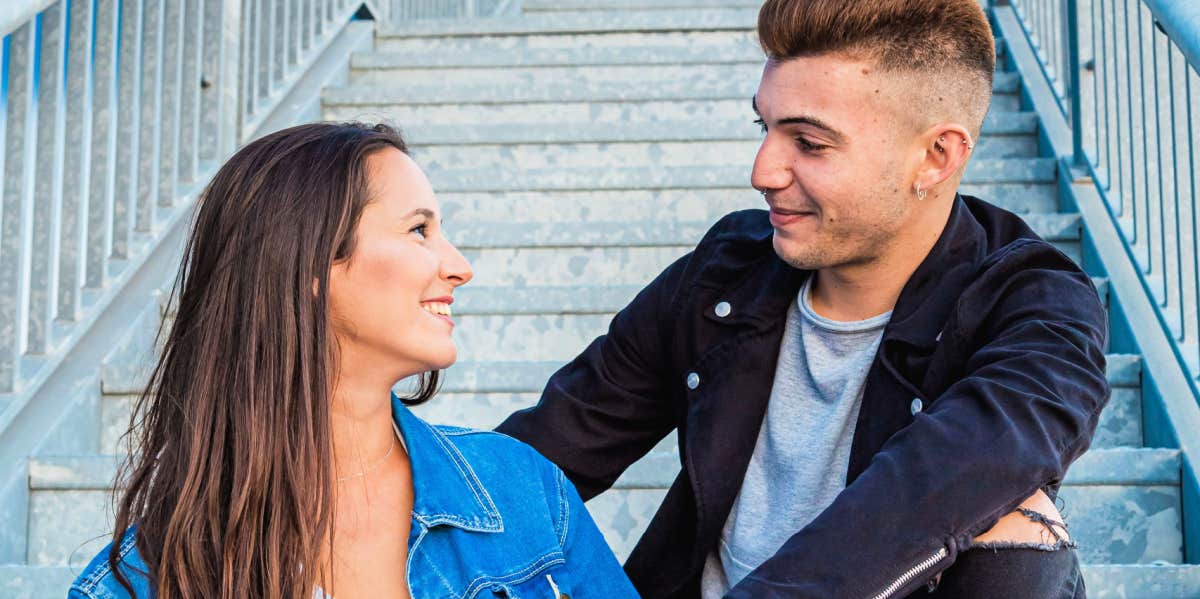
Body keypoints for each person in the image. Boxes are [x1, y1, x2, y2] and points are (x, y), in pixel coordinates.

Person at [496, 1, 1108, 597]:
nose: (763, 171)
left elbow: (939, 485)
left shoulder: (1034, 307)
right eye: (765, 128)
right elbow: (541, 456)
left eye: (809, 143)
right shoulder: (726, 273)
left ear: (935, 156)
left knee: (1018, 528)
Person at [69, 122, 638, 599]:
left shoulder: (522, 488)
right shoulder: (137, 580)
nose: (460, 266)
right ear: (311, 265)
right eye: (419, 230)